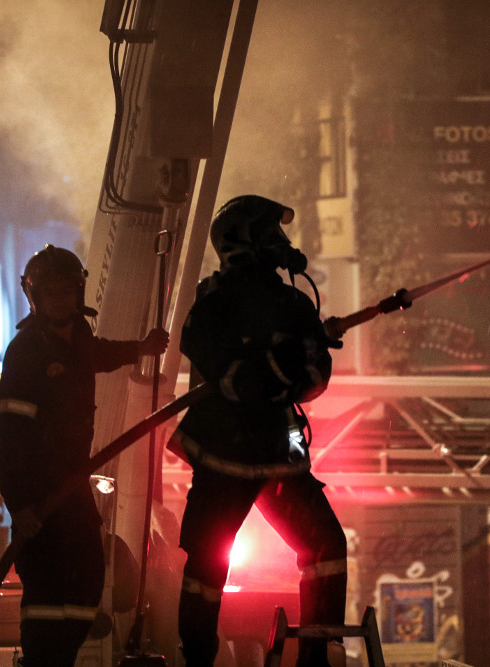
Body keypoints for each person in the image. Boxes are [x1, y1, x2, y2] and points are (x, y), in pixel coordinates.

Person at [171, 195, 347, 667]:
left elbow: (316, 379)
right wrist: (283, 362)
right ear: (239, 241)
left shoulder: (294, 303)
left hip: (277, 454)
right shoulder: (213, 303)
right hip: (224, 457)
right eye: (269, 233)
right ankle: (198, 661)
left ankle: (317, 657)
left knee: (327, 547)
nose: (280, 242)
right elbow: (234, 381)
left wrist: (288, 365)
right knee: (206, 566)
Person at [0, 244, 169, 667]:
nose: (61, 300)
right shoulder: (26, 351)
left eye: (67, 291)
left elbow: (99, 353)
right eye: (51, 293)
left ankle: (61, 658)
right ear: (34, 296)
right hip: (39, 495)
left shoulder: (79, 337)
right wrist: (21, 505)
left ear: (79, 291)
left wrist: (141, 348)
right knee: (47, 591)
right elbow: (5, 437)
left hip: (72, 487)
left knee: (87, 577)